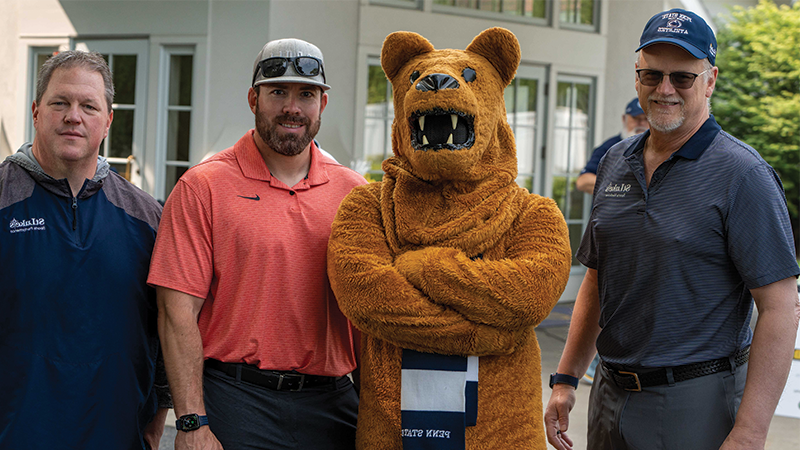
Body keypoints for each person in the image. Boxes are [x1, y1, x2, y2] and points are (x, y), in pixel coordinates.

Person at [545, 8, 800, 450]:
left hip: (694, 403)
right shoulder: (614, 161)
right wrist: (566, 379)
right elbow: (598, 278)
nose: (664, 89)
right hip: (608, 394)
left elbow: (781, 306)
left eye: (682, 77)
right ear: (637, 75)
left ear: (710, 79)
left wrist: (751, 432)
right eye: (652, 75)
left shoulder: (743, 174)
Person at [148, 38, 367, 450]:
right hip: (235, 401)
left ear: (323, 104)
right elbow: (175, 314)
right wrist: (192, 423)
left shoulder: (355, 194)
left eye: (306, 94)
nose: (292, 107)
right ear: (254, 98)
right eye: (278, 92)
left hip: (334, 404)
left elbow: (371, 319)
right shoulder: (203, 186)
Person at [0, 50, 170, 449]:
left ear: (108, 120)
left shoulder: (148, 217)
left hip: (116, 436)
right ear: (36, 111)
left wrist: (159, 415)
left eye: (88, 106)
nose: (73, 116)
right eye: (60, 102)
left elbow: (169, 331)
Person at [576, 97, 648, 194]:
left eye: (646, 119)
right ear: (624, 119)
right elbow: (583, 181)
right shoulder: (610, 148)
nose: (642, 123)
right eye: (636, 119)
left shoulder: (661, 149)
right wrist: (622, 188)